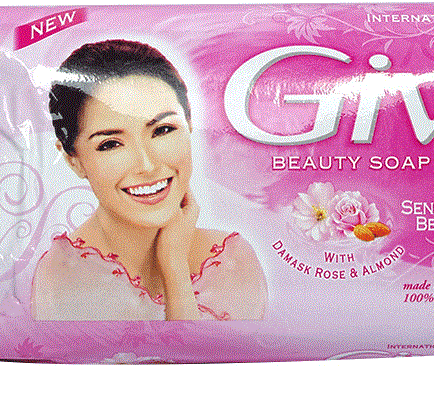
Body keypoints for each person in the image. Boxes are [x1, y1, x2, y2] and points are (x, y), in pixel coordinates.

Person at [31, 40, 267, 321]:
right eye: (110, 144)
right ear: (74, 160)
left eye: (163, 130)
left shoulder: (232, 260)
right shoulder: (62, 277)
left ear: (190, 124)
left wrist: (174, 265)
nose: (147, 165)